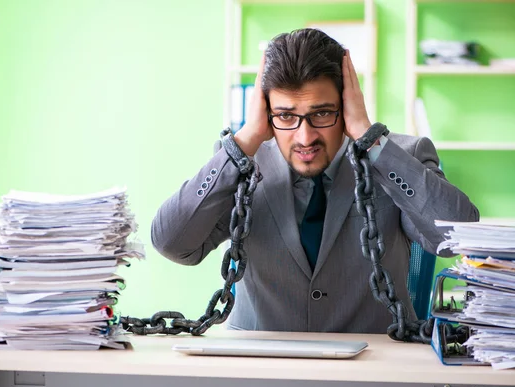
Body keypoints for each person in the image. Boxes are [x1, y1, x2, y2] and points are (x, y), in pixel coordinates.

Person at [151, 28, 479, 333]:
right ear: (265, 111)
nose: (305, 137)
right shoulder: (240, 165)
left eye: (321, 113)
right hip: (258, 371)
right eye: (286, 116)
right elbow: (172, 244)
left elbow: (459, 237)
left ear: (347, 103)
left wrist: (371, 139)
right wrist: (247, 138)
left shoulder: (401, 157)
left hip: (371, 371)